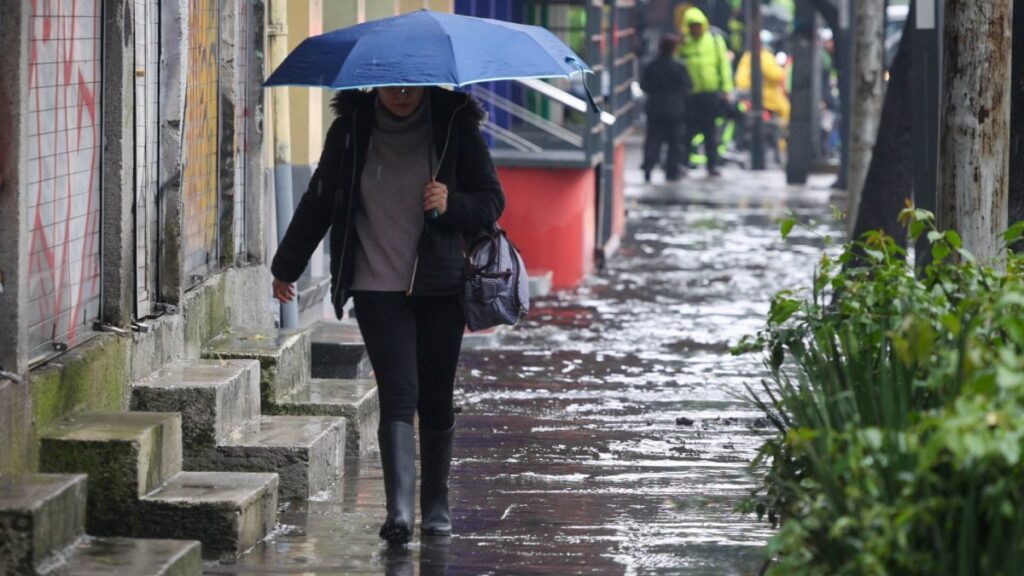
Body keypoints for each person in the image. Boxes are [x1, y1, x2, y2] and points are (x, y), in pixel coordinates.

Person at [270, 85, 505, 545]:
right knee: (398, 393)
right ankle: (399, 512)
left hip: (441, 285)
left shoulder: (454, 125)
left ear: (425, 83)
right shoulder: (351, 129)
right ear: (374, 83)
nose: (400, 93)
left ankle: (435, 505)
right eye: (391, 85)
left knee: (435, 398)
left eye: (409, 85)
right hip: (375, 285)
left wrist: (451, 204)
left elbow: (492, 201)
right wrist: (287, 266)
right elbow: (320, 200)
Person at [678, 6, 734, 177]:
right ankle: (683, 163)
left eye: (698, 25)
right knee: (687, 132)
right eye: (692, 26)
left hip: (710, 94)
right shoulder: (683, 44)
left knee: (710, 132)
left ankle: (712, 165)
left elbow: (723, 66)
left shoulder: (714, 41)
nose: (696, 29)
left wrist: (726, 89)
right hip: (690, 95)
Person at [640, 34, 693, 182]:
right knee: (674, 142)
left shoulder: (651, 66)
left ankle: (648, 167)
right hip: (675, 109)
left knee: (653, 140)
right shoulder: (680, 67)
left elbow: (644, 85)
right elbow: (688, 86)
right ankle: (672, 172)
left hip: (655, 108)